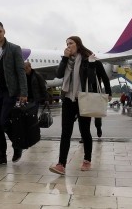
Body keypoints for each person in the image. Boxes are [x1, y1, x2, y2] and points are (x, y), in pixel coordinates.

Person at [49, 36, 112, 175]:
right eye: (66, 44)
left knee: (85, 132)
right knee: (65, 132)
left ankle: (87, 160)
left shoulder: (89, 58)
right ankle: (61, 164)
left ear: (78, 44)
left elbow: (103, 76)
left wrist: (108, 93)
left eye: (71, 43)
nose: (68, 46)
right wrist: (65, 58)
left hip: (83, 100)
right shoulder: (66, 60)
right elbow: (59, 75)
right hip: (67, 99)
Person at [0, 21, 28, 167]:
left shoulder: (14, 49)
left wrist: (23, 92)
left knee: (3, 121)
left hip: (10, 91)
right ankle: (1, 156)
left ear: (4, 32)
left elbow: (21, 71)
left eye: (0, 31)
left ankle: (17, 145)